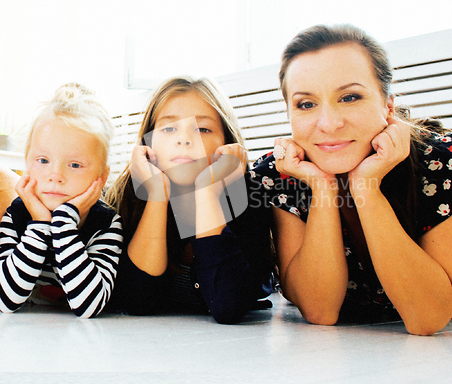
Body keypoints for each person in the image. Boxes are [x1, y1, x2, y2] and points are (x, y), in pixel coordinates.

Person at [251, 24, 452, 335]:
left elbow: (428, 317)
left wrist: (366, 187)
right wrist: (323, 187)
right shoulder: (284, 174)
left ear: (387, 105)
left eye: (350, 97)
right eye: (306, 104)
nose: (329, 123)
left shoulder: (446, 163)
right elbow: (319, 309)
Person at [106, 76, 273, 324]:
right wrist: (157, 195)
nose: (184, 140)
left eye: (202, 129)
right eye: (169, 129)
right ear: (147, 143)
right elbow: (136, 301)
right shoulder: (129, 193)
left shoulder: (249, 194)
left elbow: (229, 305)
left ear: (226, 143)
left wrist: (207, 192)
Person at [0, 83, 123, 318]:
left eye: (75, 165)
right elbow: (5, 301)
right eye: (43, 160)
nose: (55, 175)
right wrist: (39, 224)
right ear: (27, 164)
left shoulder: (105, 224)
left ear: (102, 176)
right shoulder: (17, 215)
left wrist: (63, 223)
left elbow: (89, 307)